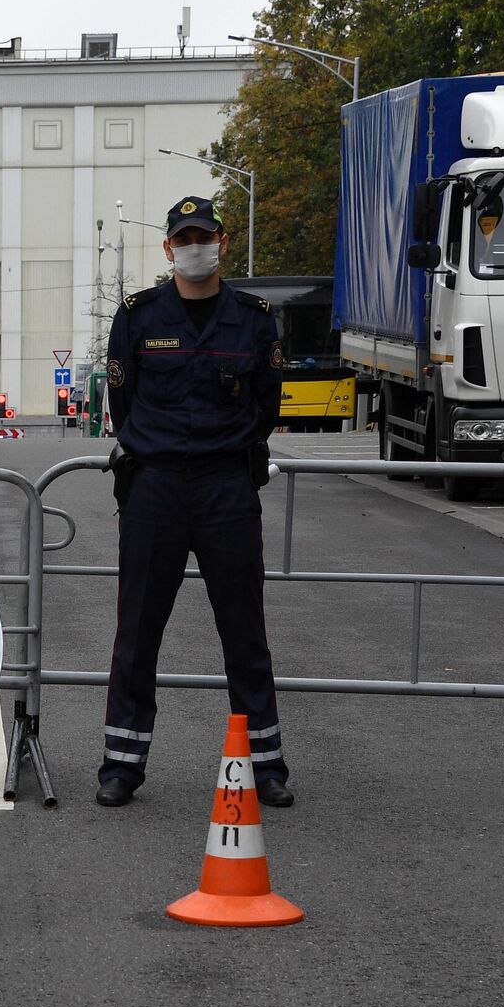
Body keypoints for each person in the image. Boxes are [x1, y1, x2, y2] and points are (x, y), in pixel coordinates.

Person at [96, 194, 291, 809]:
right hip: (154, 487)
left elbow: (267, 403)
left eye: (203, 236)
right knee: (137, 633)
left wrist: (224, 451)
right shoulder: (138, 315)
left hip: (226, 488)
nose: (194, 247)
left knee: (244, 632)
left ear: (222, 242)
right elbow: (122, 405)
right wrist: (157, 452)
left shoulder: (256, 318)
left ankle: (267, 765)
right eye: (183, 239)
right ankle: (121, 765)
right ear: (168, 249)